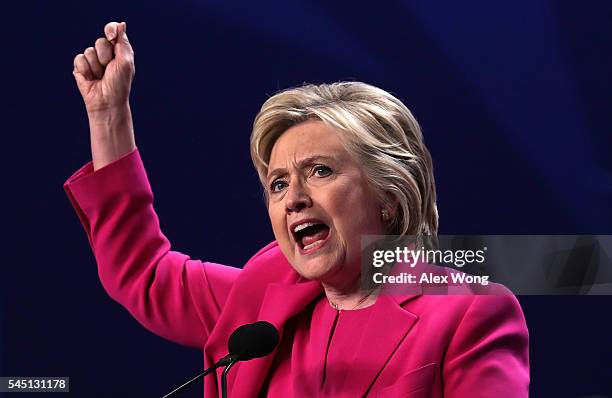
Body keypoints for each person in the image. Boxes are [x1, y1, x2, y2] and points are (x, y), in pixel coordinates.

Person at [66, 21, 529, 397]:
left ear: (388, 195)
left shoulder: (468, 315)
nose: (294, 199)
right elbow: (143, 274)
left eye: (321, 171)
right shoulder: (265, 293)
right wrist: (109, 117)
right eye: (278, 183)